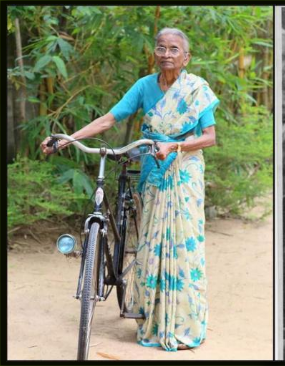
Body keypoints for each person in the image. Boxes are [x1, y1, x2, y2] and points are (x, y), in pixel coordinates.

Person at [41, 28, 219, 351]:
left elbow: (209, 137)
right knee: (151, 243)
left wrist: (176, 146)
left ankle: (183, 323)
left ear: (186, 56)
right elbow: (110, 119)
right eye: (161, 48)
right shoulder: (144, 87)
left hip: (184, 174)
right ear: (155, 52)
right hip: (152, 173)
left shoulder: (196, 90)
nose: (166, 54)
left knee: (183, 246)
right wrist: (68, 138)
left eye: (174, 49)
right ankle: (152, 320)